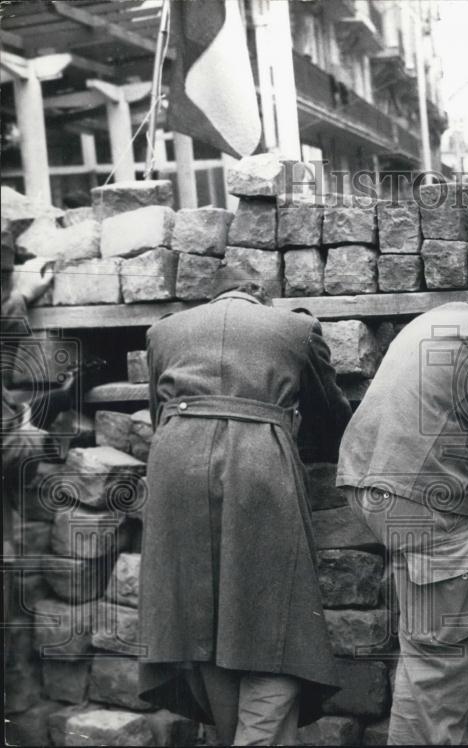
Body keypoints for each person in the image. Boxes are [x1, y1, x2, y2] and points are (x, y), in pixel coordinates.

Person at [336, 245, 468, 745]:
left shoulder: (436, 321)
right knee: (444, 658)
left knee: (432, 640)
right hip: (419, 499)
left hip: (373, 482)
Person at [137, 272, 353, 746]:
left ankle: (236, 735)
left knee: (202, 619)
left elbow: (158, 411)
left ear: (213, 296)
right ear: (261, 297)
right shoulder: (295, 329)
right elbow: (329, 414)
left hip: (175, 463)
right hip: (258, 464)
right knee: (279, 617)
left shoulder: (165, 330)